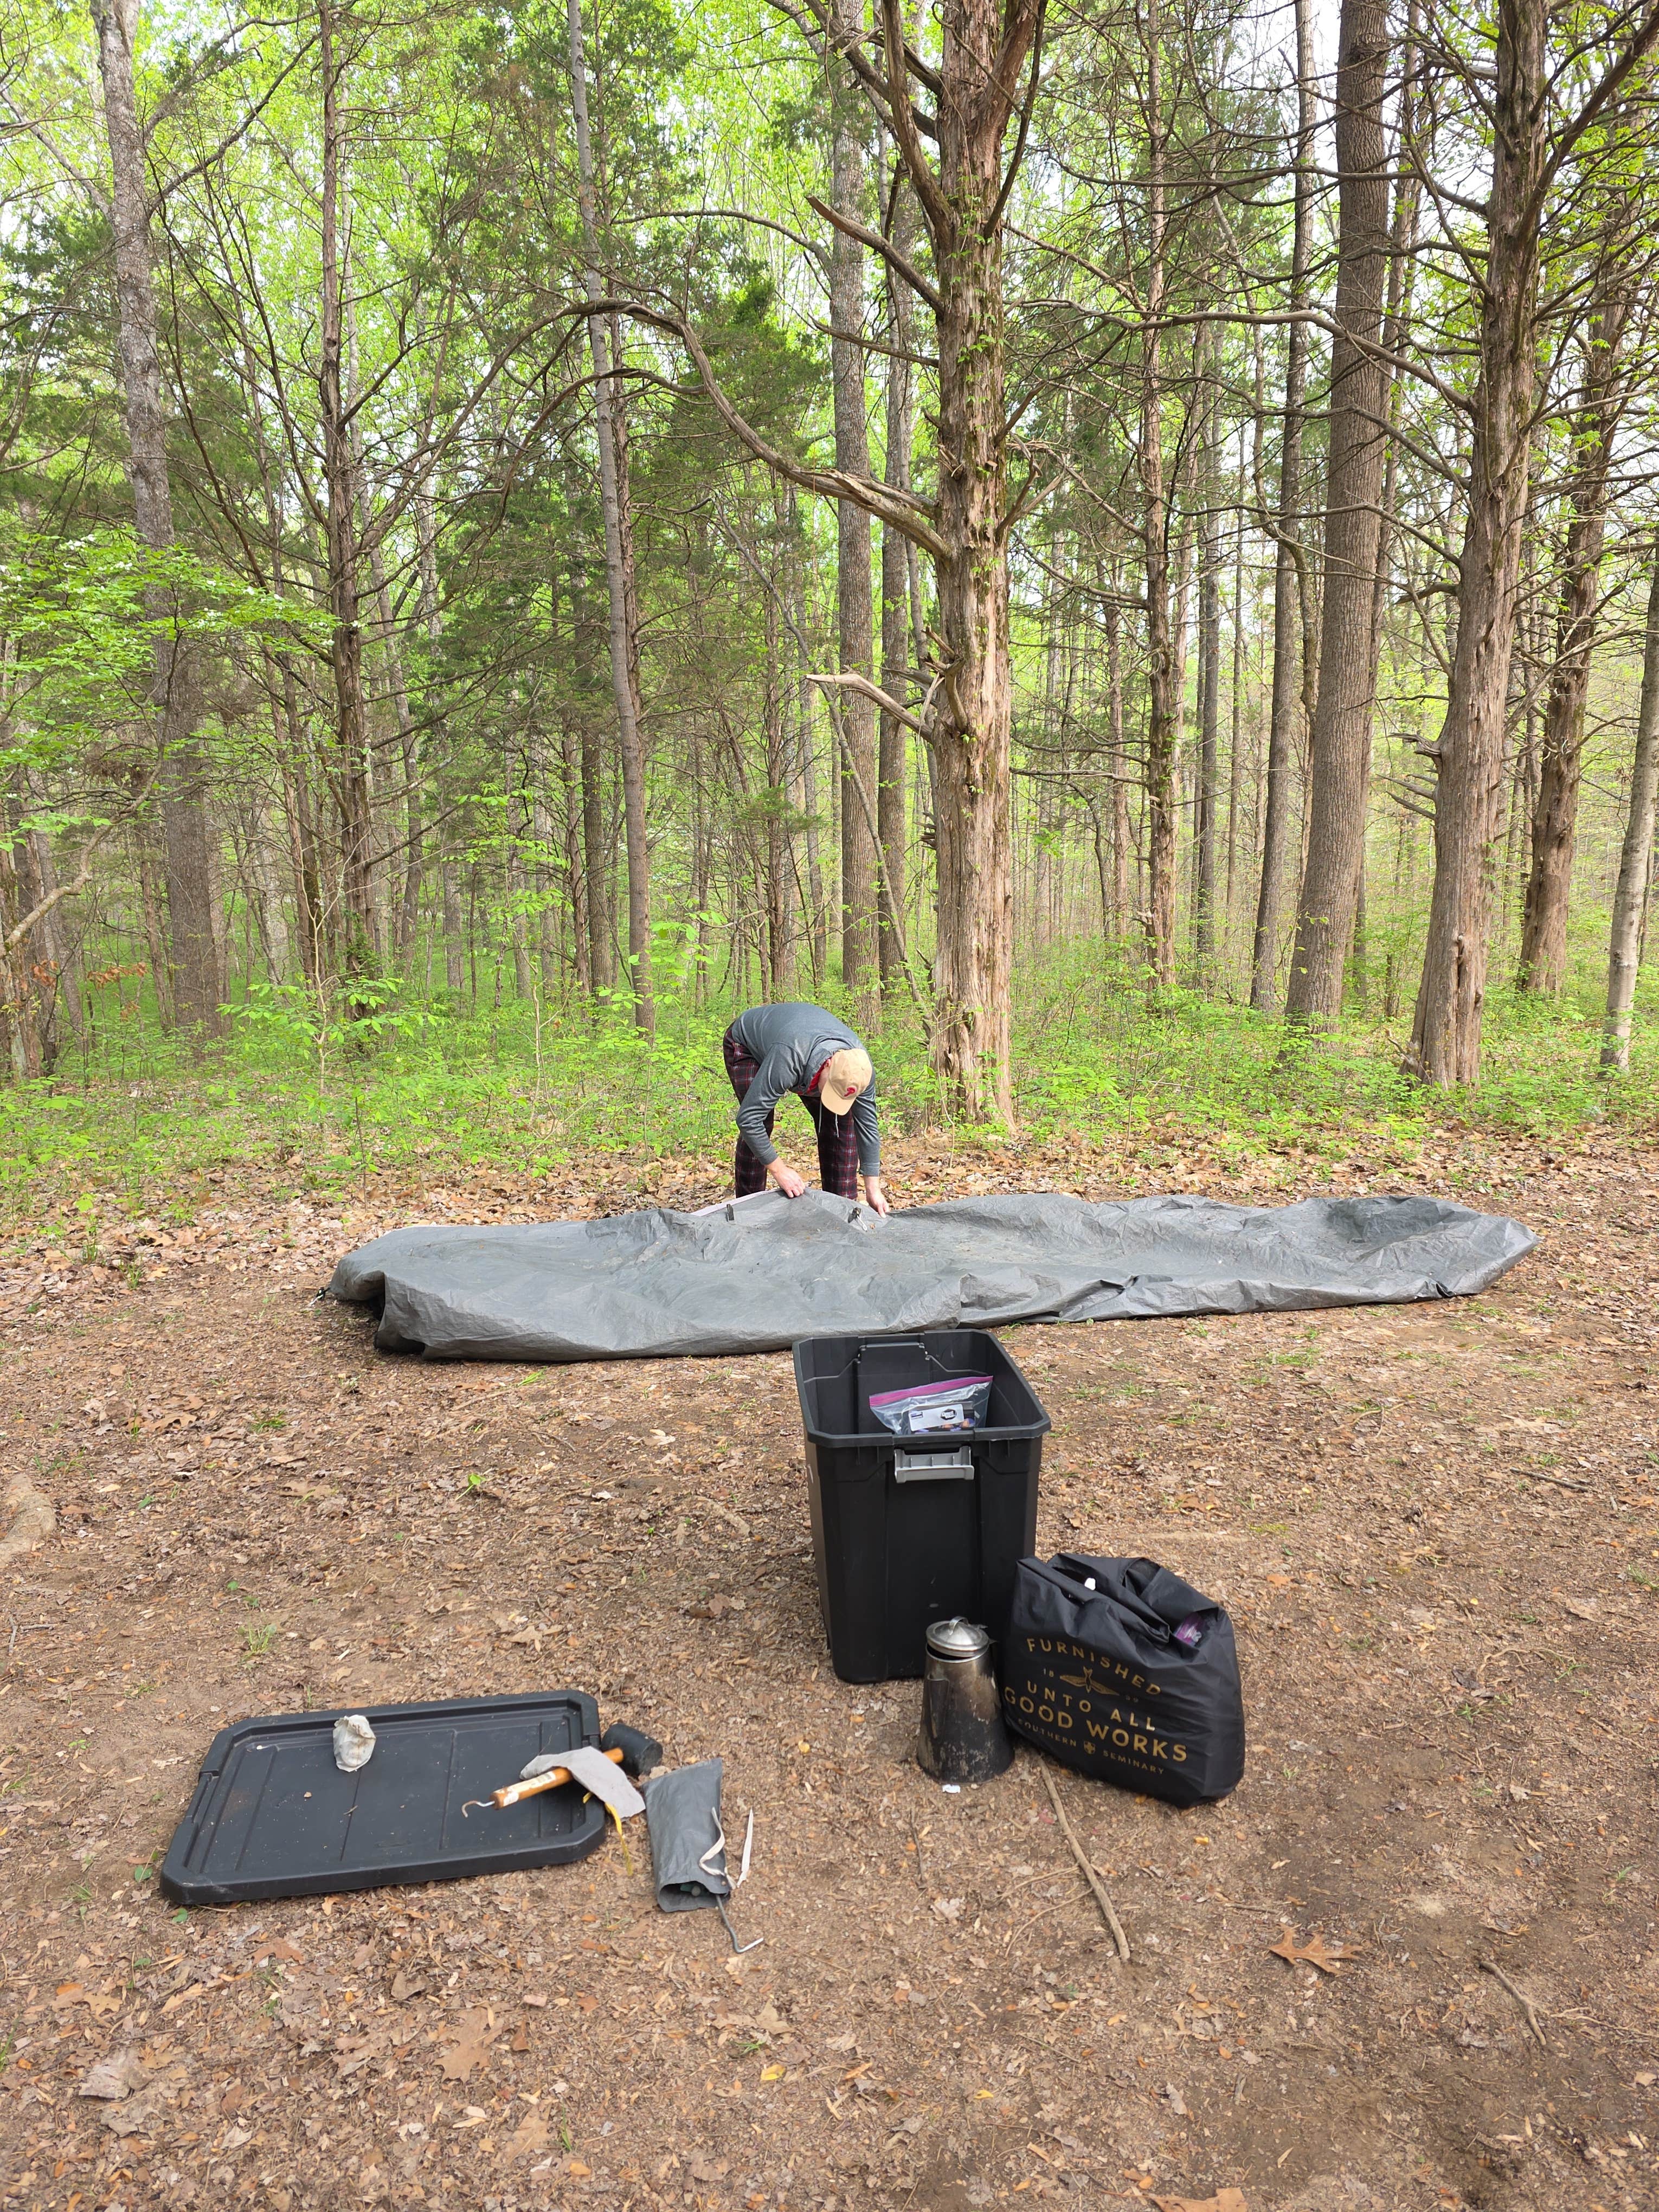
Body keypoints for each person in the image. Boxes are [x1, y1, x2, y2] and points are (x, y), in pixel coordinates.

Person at [722, 1001, 889, 1215]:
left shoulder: (860, 1070)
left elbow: (867, 1128)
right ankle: (749, 1212)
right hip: (748, 1045)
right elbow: (748, 1119)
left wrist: (872, 1189)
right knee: (760, 1123)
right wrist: (780, 1170)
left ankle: (842, 1212)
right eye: (831, 1090)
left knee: (840, 1124)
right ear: (828, 1064)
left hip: (804, 1050)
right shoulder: (790, 1056)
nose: (831, 1097)